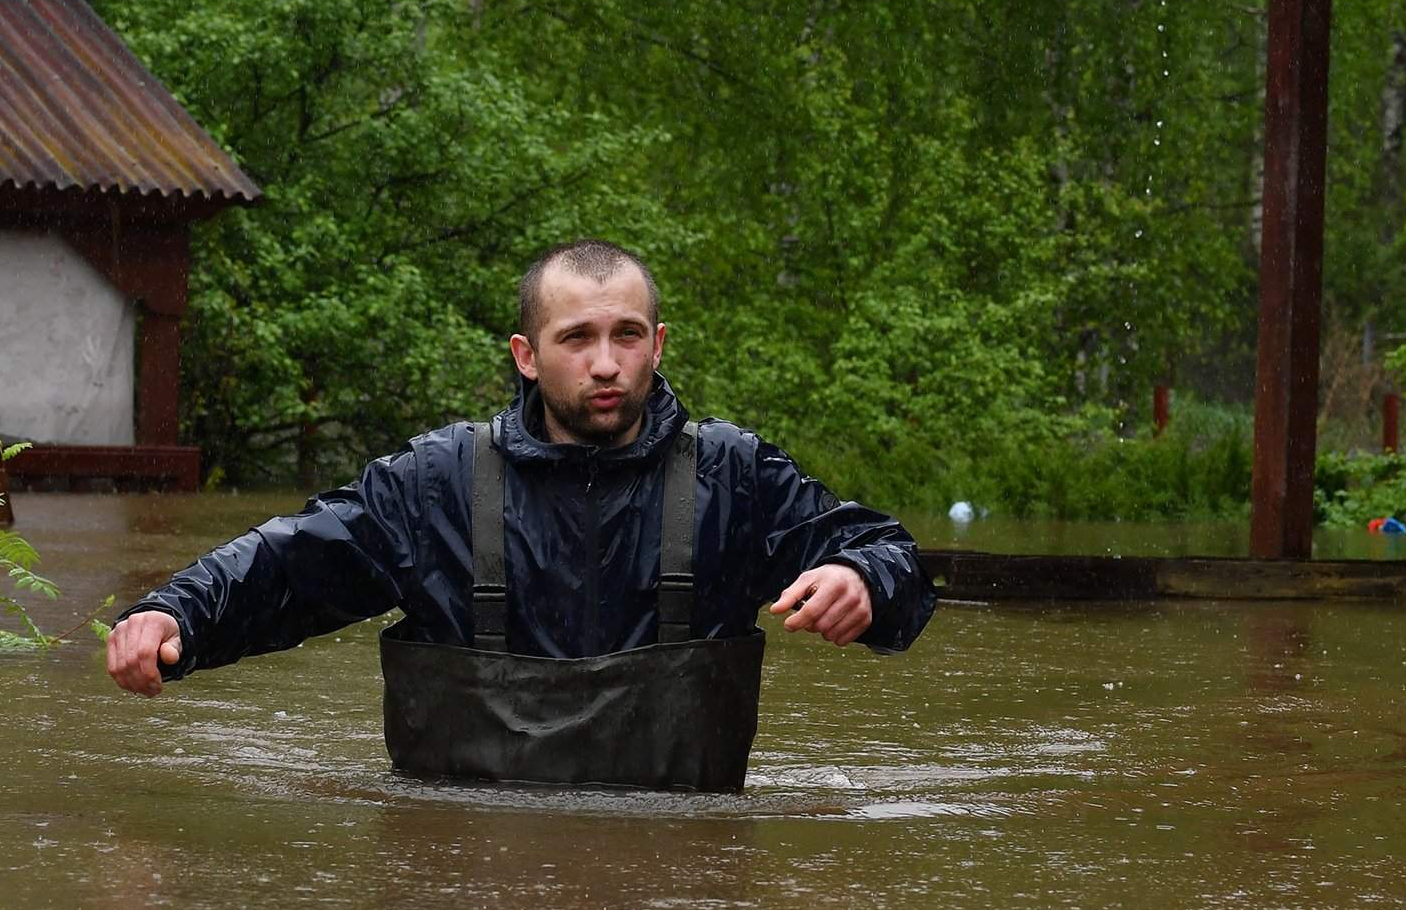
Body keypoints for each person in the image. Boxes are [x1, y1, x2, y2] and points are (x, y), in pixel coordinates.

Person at [106, 238, 936, 790]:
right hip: (466, 898)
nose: (607, 363)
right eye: (577, 337)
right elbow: (289, 565)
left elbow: (888, 552)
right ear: (527, 355)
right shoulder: (433, 483)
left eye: (628, 335)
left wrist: (862, 575)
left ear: (660, 343)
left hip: (678, 903)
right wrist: (174, 610)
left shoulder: (736, 476)